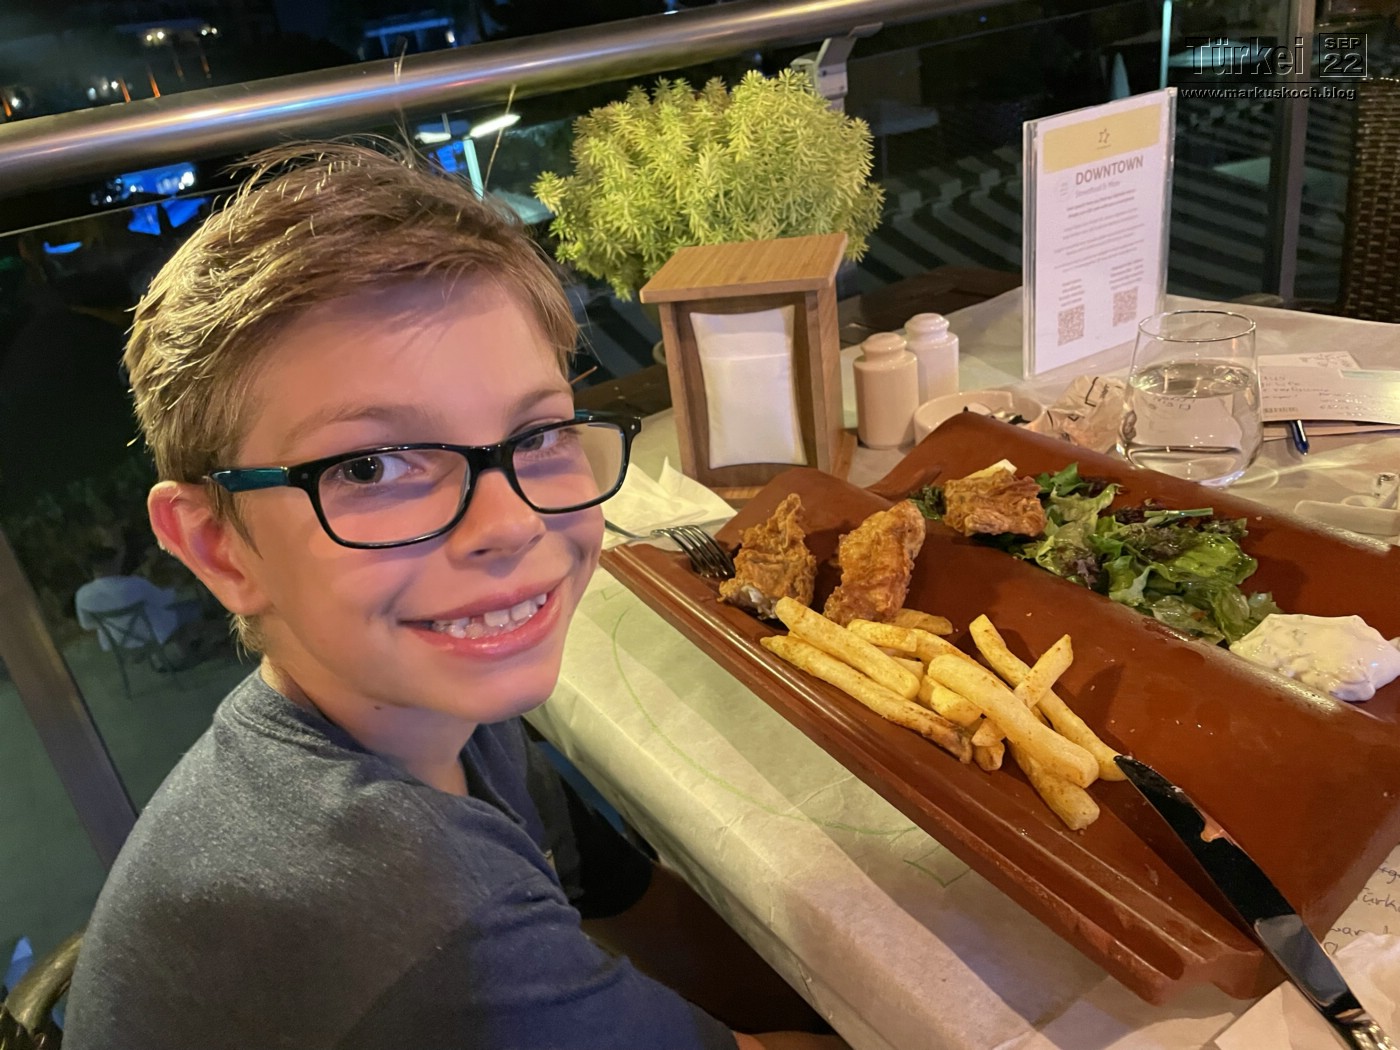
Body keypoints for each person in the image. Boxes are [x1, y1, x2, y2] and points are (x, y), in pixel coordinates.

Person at [63, 140, 847, 1050]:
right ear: (217, 547)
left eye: (539, 434)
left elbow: (624, 897)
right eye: (371, 466)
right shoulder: (423, 921)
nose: (509, 524)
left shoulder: (431, 708)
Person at [74, 543, 207, 670]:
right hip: (152, 636)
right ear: (112, 563)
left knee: (170, 614)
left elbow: (87, 625)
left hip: (120, 643)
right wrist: (173, 587)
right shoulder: (133, 584)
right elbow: (165, 601)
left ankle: (175, 655)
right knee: (194, 608)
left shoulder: (82, 595)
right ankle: (190, 651)